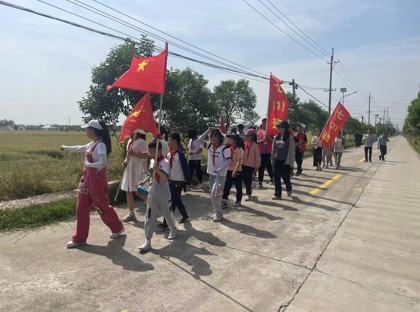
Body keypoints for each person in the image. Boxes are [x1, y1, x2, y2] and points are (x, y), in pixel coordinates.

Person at [61, 120, 124, 249]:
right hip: (87, 180)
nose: (86, 131)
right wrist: (65, 147)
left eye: (87, 129)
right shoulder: (91, 144)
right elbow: (79, 147)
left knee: (102, 207)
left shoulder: (101, 146)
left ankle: (117, 228)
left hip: (97, 181)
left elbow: (103, 163)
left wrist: (89, 165)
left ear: (93, 130)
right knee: (81, 208)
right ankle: (79, 238)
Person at [139, 140, 177, 252]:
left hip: (163, 191)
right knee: (149, 215)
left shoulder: (165, 162)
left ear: (159, 151)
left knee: (167, 213)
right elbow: (151, 174)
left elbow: (165, 177)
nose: (150, 153)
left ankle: (173, 229)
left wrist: (157, 170)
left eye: (152, 151)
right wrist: (144, 180)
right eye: (149, 150)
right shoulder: (152, 160)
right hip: (152, 191)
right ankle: (147, 240)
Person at [197, 127, 231, 222]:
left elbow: (229, 160)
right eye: (211, 136)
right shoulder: (209, 146)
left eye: (215, 136)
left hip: (220, 176)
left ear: (220, 138)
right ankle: (217, 212)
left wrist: (220, 169)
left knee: (214, 194)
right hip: (211, 174)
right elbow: (199, 140)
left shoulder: (224, 148)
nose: (212, 138)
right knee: (215, 195)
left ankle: (218, 213)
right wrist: (208, 130)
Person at [121, 129, 150, 222]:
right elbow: (128, 154)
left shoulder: (142, 142)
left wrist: (134, 154)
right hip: (129, 169)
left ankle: (150, 202)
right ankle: (131, 213)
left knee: (138, 190)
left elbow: (147, 156)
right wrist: (126, 161)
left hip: (137, 169)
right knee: (128, 190)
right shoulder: (130, 141)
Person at [167, 132, 191, 223]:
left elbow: (186, 168)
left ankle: (167, 222)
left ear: (175, 141)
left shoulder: (180, 154)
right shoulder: (169, 154)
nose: (168, 142)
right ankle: (185, 216)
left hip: (178, 181)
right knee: (177, 200)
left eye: (169, 140)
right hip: (170, 180)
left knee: (172, 201)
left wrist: (187, 182)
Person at [271, 121, 295, 200]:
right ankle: (278, 194)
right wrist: (272, 159)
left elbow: (292, 152)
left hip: (285, 161)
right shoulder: (275, 137)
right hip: (276, 160)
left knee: (286, 178)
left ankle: (289, 188)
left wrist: (291, 164)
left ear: (285, 128)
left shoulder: (290, 138)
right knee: (276, 178)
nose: (279, 129)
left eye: (281, 127)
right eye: (279, 127)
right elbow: (273, 149)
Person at [222, 133, 244, 208]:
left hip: (237, 171)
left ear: (235, 140)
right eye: (228, 139)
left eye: (230, 139)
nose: (228, 140)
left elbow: (239, 161)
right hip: (229, 170)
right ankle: (224, 200)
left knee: (238, 186)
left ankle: (238, 200)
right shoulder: (228, 149)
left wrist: (235, 171)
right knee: (227, 186)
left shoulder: (239, 150)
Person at [242, 129, 261, 201]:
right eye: (246, 135)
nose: (247, 137)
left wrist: (256, 167)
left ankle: (249, 195)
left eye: (249, 136)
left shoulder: (255, 145)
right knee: (245, 180)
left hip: (251, 166)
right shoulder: (243, 144)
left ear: (253, 137)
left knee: (249, 181)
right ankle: (249, 190)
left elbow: (257, 157)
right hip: (243, 165)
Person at [257, 118, 274, 188]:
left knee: (268, 165)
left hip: (268, 151)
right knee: (261, 167)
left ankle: (272, 177)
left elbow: (274, 141)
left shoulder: (271, 132)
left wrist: (268, 138)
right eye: (263, 123)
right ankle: (260, 181)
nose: (264, 124)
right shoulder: (259, 132)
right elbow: (257, 141)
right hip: (261, 151)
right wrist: (263, 140)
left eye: (266, 123)